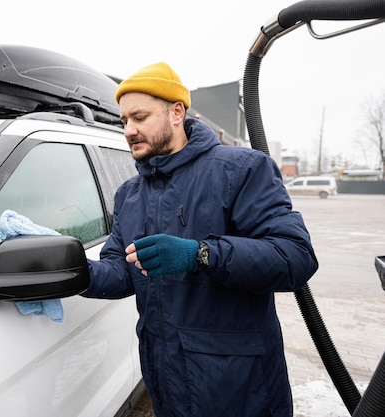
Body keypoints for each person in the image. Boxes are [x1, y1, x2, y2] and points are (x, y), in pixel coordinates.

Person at [82, 62, 319, 416]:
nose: (129, 130)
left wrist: (201, 255)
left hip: (238, 387)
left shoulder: (241, 169)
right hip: (166, 378)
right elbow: (121, 268)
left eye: (140, 117)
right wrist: (76, 270)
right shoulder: (129, 194)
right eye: (124, 121)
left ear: (177, 112)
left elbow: (295, 257)